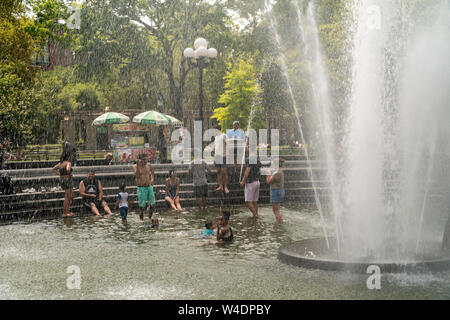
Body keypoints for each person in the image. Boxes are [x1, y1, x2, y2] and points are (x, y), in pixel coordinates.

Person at [240, 146, 261, 218]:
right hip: (257, 182)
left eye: (247, 147)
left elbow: (247, 171)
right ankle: (256, 214)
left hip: (250, 182)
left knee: (248, 201)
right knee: (254, 201)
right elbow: (259, 171)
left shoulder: (249, 159)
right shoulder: (257, 158)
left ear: (249, 149)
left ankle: (255, 215)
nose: (246, 148)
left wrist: (243, 181)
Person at [133, 153, 156, 221]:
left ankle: (149, 218)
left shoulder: (148, 165)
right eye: (144, 160)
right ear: (140, 160)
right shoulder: (135, 166)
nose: (145, 161)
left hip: (149, 187)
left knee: (152, 205)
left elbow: (152, 172)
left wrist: (152, 179)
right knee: (142, 206)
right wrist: (138, 166)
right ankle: (141, 220)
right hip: (141, 188)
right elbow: (137, 175)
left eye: (146, 159)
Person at [52, 152, 74, 217]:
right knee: (68, 197)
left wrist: (60, 174)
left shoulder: (60, 163)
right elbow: (67, 169)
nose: (72, 157)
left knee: (68, 196)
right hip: (67, 180)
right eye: (71, 156)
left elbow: (53, 169)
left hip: (62, 180)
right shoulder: (68, 163)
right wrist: (69, 174)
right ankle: (66, 213)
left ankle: (66, 212)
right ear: (68, 157)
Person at [266, 158, 285, 222]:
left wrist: (268, 173)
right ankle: (279, 220)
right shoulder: (280, 170)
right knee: (277, 209)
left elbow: (268, 181)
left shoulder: (277, 173)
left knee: (275, 210)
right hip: (280, 191)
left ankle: (279, 222)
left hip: (275, 191)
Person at [213, 124, 229, 194]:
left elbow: (228, 144)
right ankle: (220, 186)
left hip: (223, 156)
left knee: (224, 172)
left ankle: (225, 186)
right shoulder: (216, 137)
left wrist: (227, 153)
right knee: (218, 171)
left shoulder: (224, 135)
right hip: (217, 156)